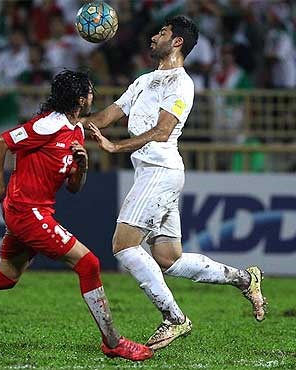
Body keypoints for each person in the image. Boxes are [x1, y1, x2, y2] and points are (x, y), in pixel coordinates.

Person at [0, 70, 153, 362]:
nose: (92, 97)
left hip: (33, 210)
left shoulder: (75, 131)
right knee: (89, 264)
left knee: (6, 275)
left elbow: (74, 188)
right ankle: (113, 341)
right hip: (26, 211)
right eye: (89, 92)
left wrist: (82, 166)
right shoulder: (47, 126)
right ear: (79, 99)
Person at [86, 16, 267, 351]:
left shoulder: (182, 84)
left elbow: (162, 131)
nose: (154, 36)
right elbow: (104, 117)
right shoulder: (143, 82)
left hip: (160, 170)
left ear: (178, 42)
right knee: (169, 259)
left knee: (124, 245)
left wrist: (115, 146)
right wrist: (66, 126)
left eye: (163, 33)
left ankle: (173, 318)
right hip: (152, 172)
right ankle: (244, 278)